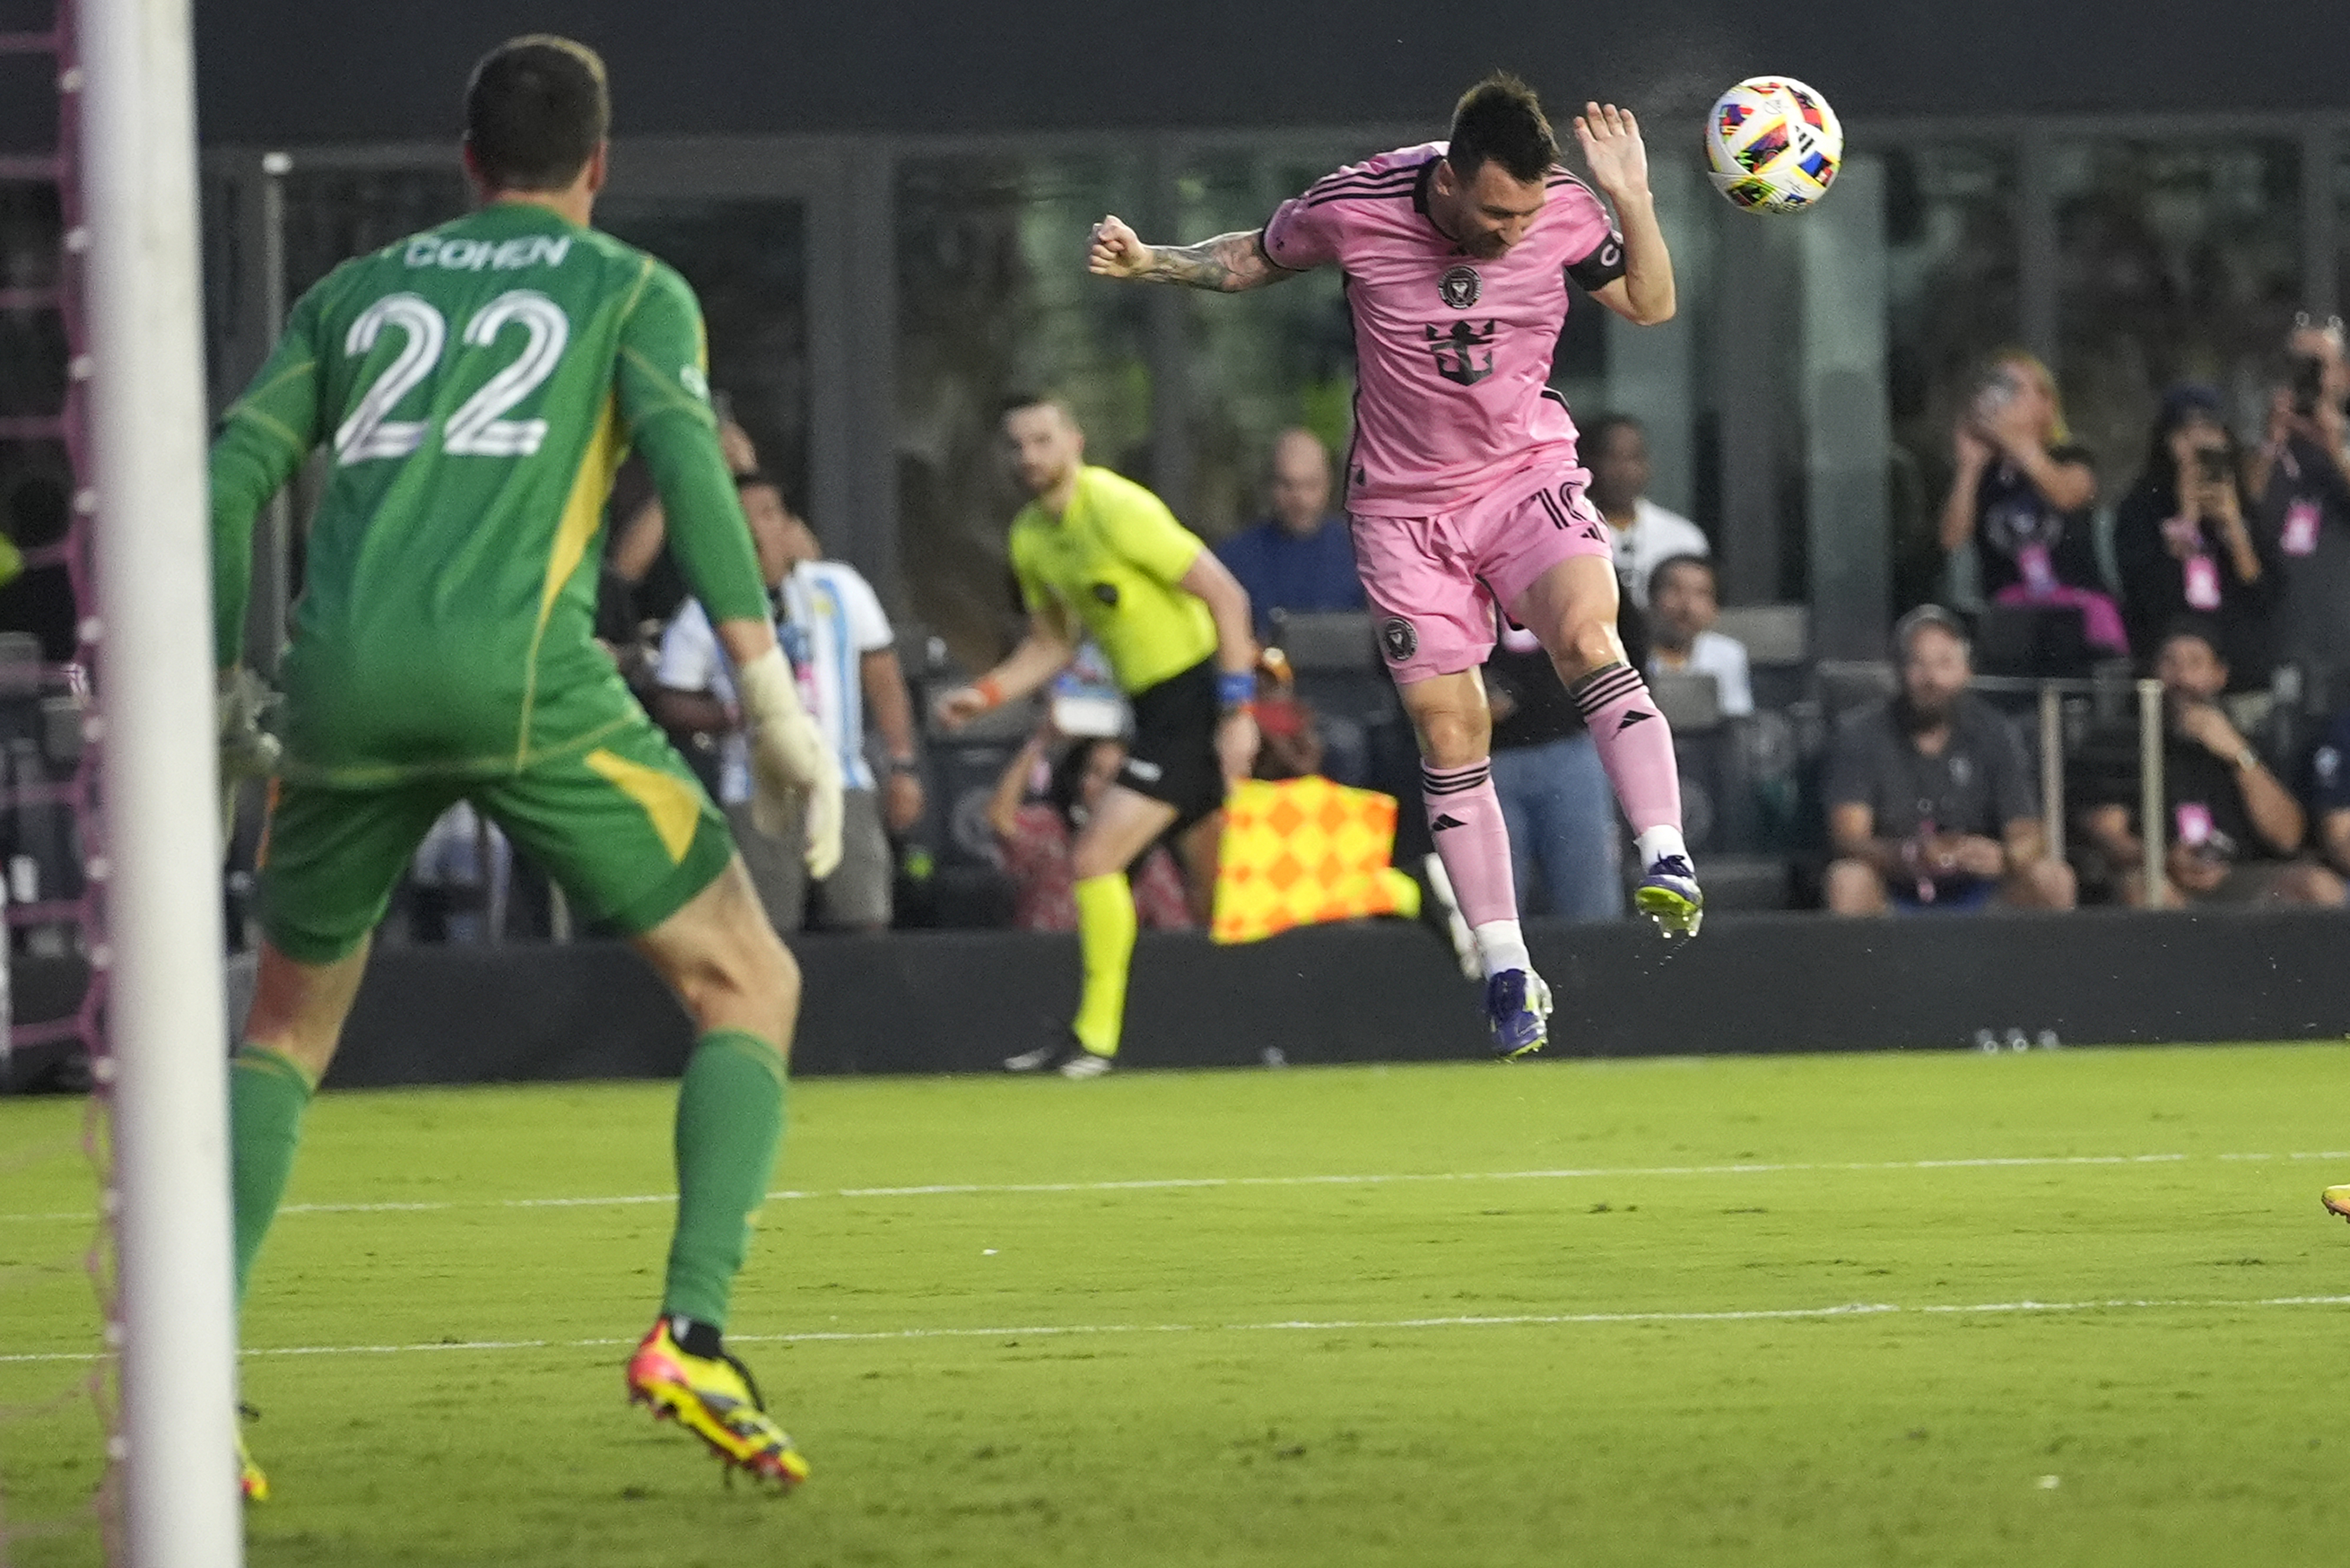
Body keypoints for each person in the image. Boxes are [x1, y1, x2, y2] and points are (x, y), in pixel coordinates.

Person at [205, 36, 839, 1495]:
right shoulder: (627, 288)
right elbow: (690, 474)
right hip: (525, 684)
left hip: (339, 689)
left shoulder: (352, 294)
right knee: (749, 978)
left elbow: (228, 473)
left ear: (466, 157)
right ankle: (689, 1330)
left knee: (285, 1031)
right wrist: (765, 693)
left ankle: (193, 1374)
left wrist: (214, 689)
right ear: (597, 163)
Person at [1086, 73, 1702, 1059]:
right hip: (1403, 511)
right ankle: (1504, 965)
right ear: (1450, 182)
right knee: (1445, 722)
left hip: (1522, 476)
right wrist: (1150, 261)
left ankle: (1663, 853)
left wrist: (1630, 195)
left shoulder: (1564, 212)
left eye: (1526, 212)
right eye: (1495, 212)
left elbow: (1649, 303)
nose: (1511, 233)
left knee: (1589, 633)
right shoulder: (1357, 206)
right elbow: (1250, 257)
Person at [933, 395, 1258, 1078]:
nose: (1030, 457)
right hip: (1153, 709)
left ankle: (1095, 1038)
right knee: (1233, 888)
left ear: (1075, 440)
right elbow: (1053, 642)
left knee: (1094, 859)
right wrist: (985, 695)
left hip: (1196, 696)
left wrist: (1238, 713)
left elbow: (1228, 597)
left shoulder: (1117, 509)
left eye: (1042, 440)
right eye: (1017, 445)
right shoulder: (1029, 537)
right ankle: (1411, 892)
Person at [655, 473, 925, 933]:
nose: (755, 528)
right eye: (740, 518)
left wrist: (903, 767)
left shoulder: (840, 587)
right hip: (755, 789)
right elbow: (670, 699)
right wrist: (732, 715)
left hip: (843, 781)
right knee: (769, 930)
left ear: (789, 526)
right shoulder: (706, 607)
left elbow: (884, 680)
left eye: (767, 514)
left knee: (864, 921)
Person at [1821, 607, 2075, 915]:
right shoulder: (1860, 733)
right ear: (1899, 671)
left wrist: (2004, 856)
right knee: (1847, 879)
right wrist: (1908, 855)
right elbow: (1848, 839)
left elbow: (2030, 832)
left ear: (1967, 671)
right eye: (1919, 664)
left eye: (1945, 663)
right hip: (1894, 890)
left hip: (1979, 893)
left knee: (2053, 878)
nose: (1932, 679)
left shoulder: (1996, 731)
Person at [2078, 619, 2343, 908]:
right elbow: (2107, 834)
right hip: (2159, 873)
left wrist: (2239, 754)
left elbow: (2288, 838)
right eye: (2170, 663)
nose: (2181, 677)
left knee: (2318, 887)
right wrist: (2164, 857)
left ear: (2219, 675)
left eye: (2195, 663)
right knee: (2147, 892)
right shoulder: (2119, 740)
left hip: (2238, 877)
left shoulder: (2248, 739)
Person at [1938, 351, 2124, 655]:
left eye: (2013, 389)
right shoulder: (1987, 474)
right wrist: (1969, 468)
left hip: (2077, 608)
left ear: (2046, 403)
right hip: (2010, 614)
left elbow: (2067, 495)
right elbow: (1952, 540)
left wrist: (2019, 441)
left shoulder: (2071, 456)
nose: (2002, 399)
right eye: (1995, 388)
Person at [2111, 385, 2277, 685]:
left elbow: (2266, 596)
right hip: (2172, 672)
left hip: (2238, 669)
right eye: (2186, 435)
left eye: (2210, 432)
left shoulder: (2245, 506)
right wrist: (2187, 516)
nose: (2199, 444)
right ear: (2168, 442)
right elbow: (2148, 595)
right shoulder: (2141, 507)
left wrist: (2234, 527)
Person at [987, 726, 1195, 933]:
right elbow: (1000, 818)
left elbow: (1177, 931)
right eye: (1096, 773)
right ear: (1078, 780)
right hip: (1038, 957)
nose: (1105, 787)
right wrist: (1041, 740)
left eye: (1116, 778)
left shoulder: (1149, 855)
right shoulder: (1051, 829)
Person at [2248, 314, 2350, 682]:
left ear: (2344, 374)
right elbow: (2245, 513)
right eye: (2298, 366)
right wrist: (2270, 443)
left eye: (2317, 365)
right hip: (2282, 644)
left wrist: (2336, 451)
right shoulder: (2267, 448)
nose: (2308, 376)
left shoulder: (2344, 445)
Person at [1213, 427, 1366, 637]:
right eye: (1287, 485)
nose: (1299, 498)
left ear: (1328, 483)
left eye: (1310, 485)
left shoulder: (1362, 554)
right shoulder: (1234, 559)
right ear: (1269, 485)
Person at [1582, 414, 1708, 607]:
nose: (1623, 470)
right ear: (1591, 464)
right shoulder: (1570, 532)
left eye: (1633, 458)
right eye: (1612, 458)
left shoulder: (1683, 537)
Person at [1645, 554, 1752, 717]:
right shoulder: (1624, 655)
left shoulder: (1729, 654)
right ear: (1652, 599)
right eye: (1676, 590)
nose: (1687, 606)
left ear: (1715, 609)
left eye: (1701, 593)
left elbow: (1737, 718)